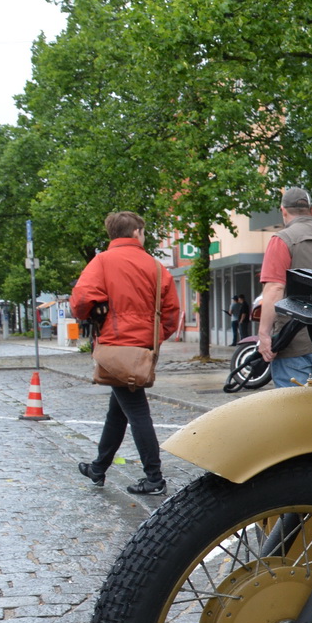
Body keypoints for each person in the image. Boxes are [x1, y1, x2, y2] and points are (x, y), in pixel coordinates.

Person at [71, 211, 181, 496]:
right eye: (143, 232)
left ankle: (154, 479)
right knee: (117, 412)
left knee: (136, 412)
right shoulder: (156, 267)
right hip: (141, 349)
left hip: (114, 349)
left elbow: (80, 300)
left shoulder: (102, 262)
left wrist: (95, 318)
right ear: (135, 233)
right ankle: (98, 468)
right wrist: (153, 338)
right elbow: (171, 312)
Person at [258, 186, 312, 387]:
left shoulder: (282, 240)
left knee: (292, 411)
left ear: (283, 211)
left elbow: (274, 289)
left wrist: (264, 334)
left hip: (293, 343)